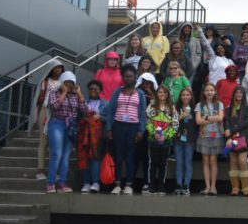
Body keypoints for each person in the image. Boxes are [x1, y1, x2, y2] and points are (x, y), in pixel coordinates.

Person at [105, 65, 147, 195]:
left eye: (130, 76)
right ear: (122, 78)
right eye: (126, 76)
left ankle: (129, 184)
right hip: (118, 126)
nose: (128, 78)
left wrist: (141, 130)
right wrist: (109, 128)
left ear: (135, 77)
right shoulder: (117, 92)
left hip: (133, 128)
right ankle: (117, 184)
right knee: (118, 156)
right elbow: (110, 111)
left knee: (130, 157)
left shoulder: (140, 94)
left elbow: (142, 114)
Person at [44, 71, 86, 193]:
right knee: (56, 154)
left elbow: (84, 109)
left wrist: (79, 93)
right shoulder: (54, 92)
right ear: (61, 82)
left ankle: (62, 183)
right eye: (66, 82)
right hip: (57, 123)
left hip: (70, 126)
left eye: (71, 82)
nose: (69, 85)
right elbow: (55, 106)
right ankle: (51, 184)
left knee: (66, 156)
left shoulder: (75, 95)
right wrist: (64, 92)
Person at [29, 60, 64, 180]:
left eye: (60, 68)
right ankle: (40, 170)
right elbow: (39, 100)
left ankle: (54, 170)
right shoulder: (45, 81)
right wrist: (46, 96)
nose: (58, 70)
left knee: (55, 143)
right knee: (43, 141)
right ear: (51, 69)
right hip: (45, 111)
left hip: (58, 113)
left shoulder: (63, 82)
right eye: (56, 67)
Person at [144, 84, 178, 195]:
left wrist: (166, 136)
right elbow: (147, 121)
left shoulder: (172, 108)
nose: (162, 94)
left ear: (167, 94)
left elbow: (175, 124)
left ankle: (161, 185)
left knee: (163, 164)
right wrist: (154, 134)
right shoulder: (152, 106)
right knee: (153, 163)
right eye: (160, 92)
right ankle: (151, 185)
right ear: (157, 94)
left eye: (164, 92)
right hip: (153, 140)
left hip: (166, 142)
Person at [76, 80, 106, 193]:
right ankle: (86, 183)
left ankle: (95, 182)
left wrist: (101, 117)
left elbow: (109, 118)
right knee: (84, 158)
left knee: (95, 158)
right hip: (83, 135)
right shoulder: (83, 102)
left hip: (97, 136)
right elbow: (78, 116)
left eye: (95, 89)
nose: (93, 90)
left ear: (100, 91)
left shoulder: (105, 104)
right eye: (91, 89)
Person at [195, 83, 225, 195]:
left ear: (215, 91)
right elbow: (198, 121)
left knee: (213, 161)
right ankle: (207, 187)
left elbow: (220, 117)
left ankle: (213, 187)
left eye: (211, 90)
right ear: (203, 92)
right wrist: (213, 119)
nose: (209, 92)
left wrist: (206, 118)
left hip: (216, 135)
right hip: (204, 135)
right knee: (205, 161)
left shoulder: (219, 104)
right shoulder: (199, 105)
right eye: (207, 90)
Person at [224, 86, 248, 196]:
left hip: (243, 138)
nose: (239, 94)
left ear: (244, 95)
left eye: (241, 93)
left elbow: (246, 123)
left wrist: (231, 131)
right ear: (234, 94)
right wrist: (228, 134)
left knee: (242, 161)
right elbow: (226, 121)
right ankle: (235, 188)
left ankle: (245, 188)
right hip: (231, 139)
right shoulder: (229, 109)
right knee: (233, 162)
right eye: (237, 92)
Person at [173, 87, 196, 196]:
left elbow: (198, 124)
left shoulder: (195, 109)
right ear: (180, 97)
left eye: (187, 95)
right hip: (178, 138)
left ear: (191, 96)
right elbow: (172, 124)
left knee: (188, 162)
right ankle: (178, 185)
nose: (185, 96)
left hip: (190, 139)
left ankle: (186, 186)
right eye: (183, 95)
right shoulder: (176, 109)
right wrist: (180, 117)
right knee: (179, 162)